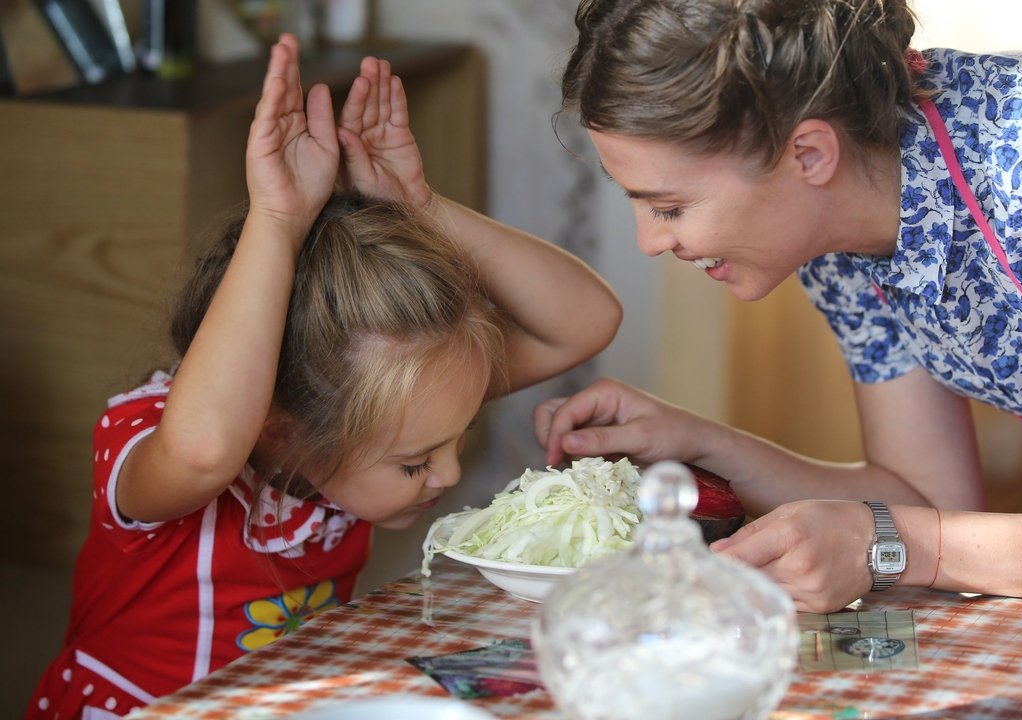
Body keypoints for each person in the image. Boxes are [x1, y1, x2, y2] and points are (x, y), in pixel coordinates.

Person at [534, 0, 1022, 616]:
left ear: (808, 155)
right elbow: (928, 500)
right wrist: (693, 442)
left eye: (669, 206)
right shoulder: (836, 227)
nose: (648, 242)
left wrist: (880, 544)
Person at [28, 34, 620, 720]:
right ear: (282, 428)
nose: (450, 474)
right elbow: (205, 450)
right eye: (415, 462)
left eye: (456, 439)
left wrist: (420, 206)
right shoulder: (163, 434)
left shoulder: (382, 401)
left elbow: (584, 321)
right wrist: (278, 222)